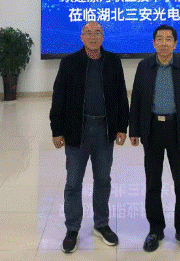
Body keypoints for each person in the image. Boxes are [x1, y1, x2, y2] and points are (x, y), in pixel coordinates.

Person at [50, 21, 129, 254]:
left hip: (104, 130)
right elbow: (59, 97)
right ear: (81, 37)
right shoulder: (69, 62)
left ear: (103, 36)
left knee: (103, 180)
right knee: (73, 182)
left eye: (97, 33)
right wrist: (57, 130)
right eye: (88, 33)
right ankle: (72, 229)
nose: (93, 37)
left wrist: (121, 127)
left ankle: (101, 224)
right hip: (77, 130)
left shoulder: (113, 61)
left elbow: (121, 96)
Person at [129, 24, 180, 254]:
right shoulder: (144, 66)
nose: (163, 43)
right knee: (153, 182)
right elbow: (137, 99)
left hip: (178, 129)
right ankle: (155, 230)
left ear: (175, 43)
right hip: (152, 129)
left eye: (168, 39)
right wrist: (134, 130)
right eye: (159, 39)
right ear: (153, 43)